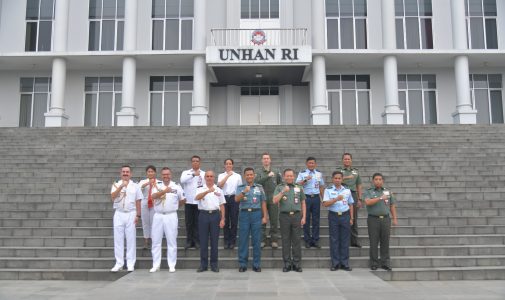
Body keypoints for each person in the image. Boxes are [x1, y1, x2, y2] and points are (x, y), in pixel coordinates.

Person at [149, 167, 186, 273]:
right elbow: (154, 196)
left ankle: (172, 265)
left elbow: (183, 199)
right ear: (161, 175)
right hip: (158, 215)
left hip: (171, 215)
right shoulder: (157, 185)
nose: (166, 176)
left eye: (168, 174)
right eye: (164, 174)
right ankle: (156, 265)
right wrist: (165, 191)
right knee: (156, 241)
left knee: (172, 240)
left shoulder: (176, 186)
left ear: (171, 175)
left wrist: (174, 206)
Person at [110, 165, 142, 272]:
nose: (125, 173)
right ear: (120, 173)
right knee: (118, 239)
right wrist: (120, 187)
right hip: (119, 213)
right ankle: (119, 263)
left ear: (130, 174)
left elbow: (138, 200)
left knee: (131, 239)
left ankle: (130, 263)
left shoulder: (135, 186)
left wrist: (138, 215)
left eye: (127, 172)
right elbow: (113, 197)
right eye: (123, 172)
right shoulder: (116, 184)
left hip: (131, 213)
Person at [363, 173, 398, 271]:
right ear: (373, 181)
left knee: (385, 241)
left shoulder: (388, 192)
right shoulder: (369, 192)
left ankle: (385, 262)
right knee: (373, 241)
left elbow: (392, 206)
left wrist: (395, 218)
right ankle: (374, 262)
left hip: (386, 219)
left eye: (380, 179)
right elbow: (367, 202)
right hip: (373, 219)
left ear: (383, 181)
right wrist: (380, 198)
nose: (378, 181)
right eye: (376, 179)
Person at [235, 167, 268, 272]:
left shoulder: (259, 187)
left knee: (256, 240)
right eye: (247, 175)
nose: (249, 176)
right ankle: (242, 264)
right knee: (243, 240)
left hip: (256, 214)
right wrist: (244, 192)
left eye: (251, 174)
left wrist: (265, 216)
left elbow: (263, 202)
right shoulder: (241, 187)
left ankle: (256, 264)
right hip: (244, 214)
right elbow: (236, 199)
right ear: (245, 176)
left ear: (254, 176)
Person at [273, 169, 306, 272]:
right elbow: (274, 201)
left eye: (291, 176)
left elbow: (303, 203)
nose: (289, 177)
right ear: (284, 176)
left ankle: (296, 263)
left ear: (294, 176)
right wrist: (283, 191)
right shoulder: (279, 187)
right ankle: (287, 263)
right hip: (284, 216)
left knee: (296, 240)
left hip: (296, 216)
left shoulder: (299, 187)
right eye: (287, 176)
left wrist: (304, 217)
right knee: (285, 240)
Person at [195, 170, 226, 272]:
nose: (209, 178)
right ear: (205, 178)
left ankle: (214, 264)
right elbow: (197, 198)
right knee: (203, 241)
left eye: (211, 176)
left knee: (214, 241)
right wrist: (207, 191)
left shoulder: (219, 190)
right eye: (207, 176)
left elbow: (222, 205)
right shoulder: (200, 188)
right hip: (203, 215)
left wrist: (223, 218)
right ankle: (203, 265)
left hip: (215, 216)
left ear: (214, 178)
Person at [323, 171, 354, 271]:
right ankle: (335, 263)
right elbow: (325, 204)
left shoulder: (347, 190)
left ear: (342, 179)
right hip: (333, 216)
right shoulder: (328, 190)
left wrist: (351, 217)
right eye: (335, 178)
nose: (337, 180)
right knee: (334, 240)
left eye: (339, 178)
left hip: (345, 216)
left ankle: (345, 263)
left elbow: (351, 204)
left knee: (345, 240)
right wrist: (336, 199)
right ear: (332, 179)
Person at [255, 152, 282, 248]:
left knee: (274, 220)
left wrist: (280, 197)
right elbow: (256, 182)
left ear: (270, 160)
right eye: (264, 158)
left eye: (267, 158)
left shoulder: (276, 171)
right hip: (262, 199)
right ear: (262, 160)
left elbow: (280, 184)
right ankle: (262, 240)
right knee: (262, 220)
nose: (266, 160)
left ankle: (274, 240)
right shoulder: (258, 172)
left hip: (273, 199)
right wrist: (267, 176)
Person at [296, 157, 325, 248]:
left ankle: (315, 240)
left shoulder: (319, 174)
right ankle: (307, 240)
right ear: (306, 164)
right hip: (306, 198)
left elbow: (321, 186)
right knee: (306, 219)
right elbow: (297, 184)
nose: (311, 164)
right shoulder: (302, 173)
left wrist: (323, 198)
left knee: (316, 219)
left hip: (316, 198)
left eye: (313, 163)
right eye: (309, 163)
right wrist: (305, 180)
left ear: (315, 164)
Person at [338, 153, 363, 248]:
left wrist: (360, 198)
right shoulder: (339, 171)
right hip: (342, 193)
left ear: (351, 160)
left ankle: (354, 240)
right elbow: (336, 180)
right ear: (342, 160)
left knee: (354, 218)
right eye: (345, 159)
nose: (347, 160)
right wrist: (347, 177)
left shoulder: (356, 172)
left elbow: (359, 185)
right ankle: (343, 240)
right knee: (342, 216)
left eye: (348, 159)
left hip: (352, 194)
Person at [180, 155, 205, 249]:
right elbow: (182, 180)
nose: (195, 162)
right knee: (189, 222)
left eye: (197, 161)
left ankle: (197, 241)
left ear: (200, 162)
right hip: (189, 202)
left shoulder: (203, 173)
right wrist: (193, 174)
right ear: (191, 162)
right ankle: (189, 241)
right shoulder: (186, 173)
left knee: (198, 222)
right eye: (193, 161)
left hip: (199, 202)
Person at [217, 159, 243, 249]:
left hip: (234, 198)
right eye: (227, 164)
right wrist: (227, 176)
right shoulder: (221, 175)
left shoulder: (237, 176)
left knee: (234, 220)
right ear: (224, 165)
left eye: (230, 164)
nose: (228, 165)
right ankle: (226, 241)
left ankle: (232, 241)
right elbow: (220, 185)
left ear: (232, 165)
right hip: (224, 198)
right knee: (225, 220)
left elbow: (240, 188)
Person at [138, 165, 161, 250]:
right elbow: (139, 189)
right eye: (149, 172)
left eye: (152, 171)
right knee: (145, 222)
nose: (150, 173)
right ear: (146, 173)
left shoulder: (159, 182)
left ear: (155, 173)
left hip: (154, 203)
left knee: (154, 222)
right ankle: (146, 240)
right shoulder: (142, 181)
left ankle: (153, 240)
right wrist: (148, 183)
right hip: (144, 203)